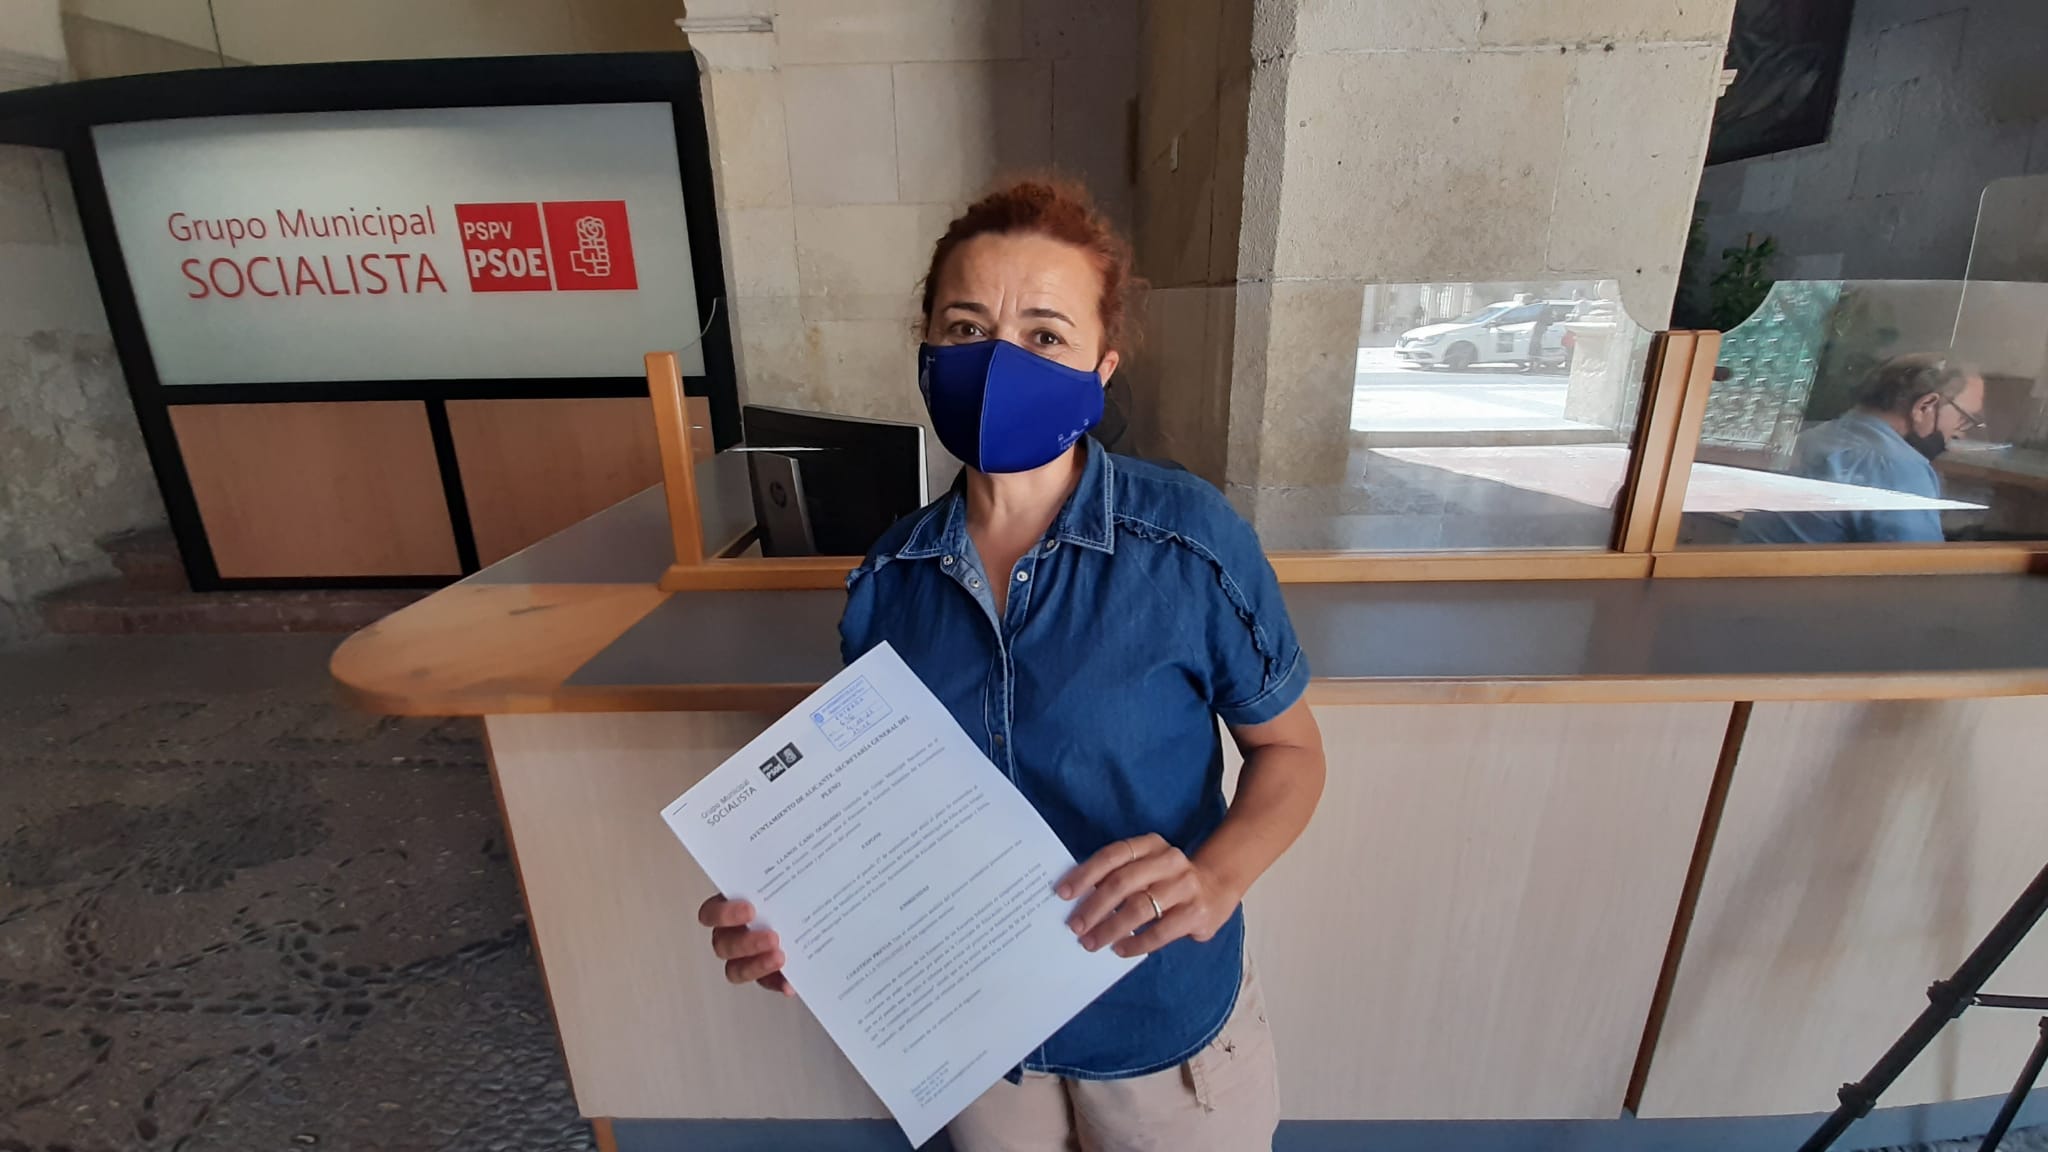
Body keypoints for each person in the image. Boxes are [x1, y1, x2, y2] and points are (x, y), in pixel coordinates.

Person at [696, 179, 1327, 1151]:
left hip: (1157, 1023)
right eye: (966, 328)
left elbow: (1291, 751)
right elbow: (884, 819)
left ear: (1102, 365)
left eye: (1044, 334)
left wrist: (1216, 878)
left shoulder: (1188, 544)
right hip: (979, 1038)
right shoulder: (889, 582)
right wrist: (802, 926)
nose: (999, 361)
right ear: (926, 349)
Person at [1738, 353, 1985, 544]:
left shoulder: (1813, 437)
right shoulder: (1895, 466)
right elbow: (1920, 573)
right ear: (1925, 406)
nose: (1960, 433)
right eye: (1964, 418)